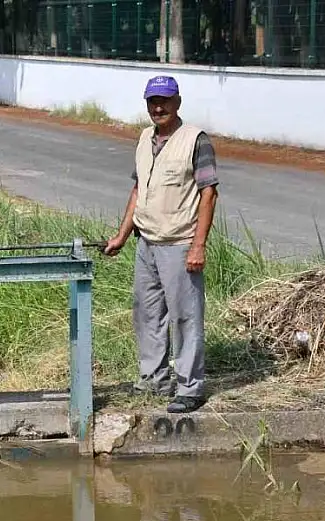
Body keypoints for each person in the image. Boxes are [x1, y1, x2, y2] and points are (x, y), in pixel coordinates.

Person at [103, 75, 219, 414]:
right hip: (147, 244)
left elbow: (209, 193)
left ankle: (190, 387)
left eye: (165, 100)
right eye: (153, 101)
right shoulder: (144, 139)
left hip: (180, 244)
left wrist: (198, 246)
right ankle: (154, 378)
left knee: (185, 318)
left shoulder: (196, 140)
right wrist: (122, 236)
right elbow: (139, 190)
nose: (158, 107)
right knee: (147, 314)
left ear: (178, 102)